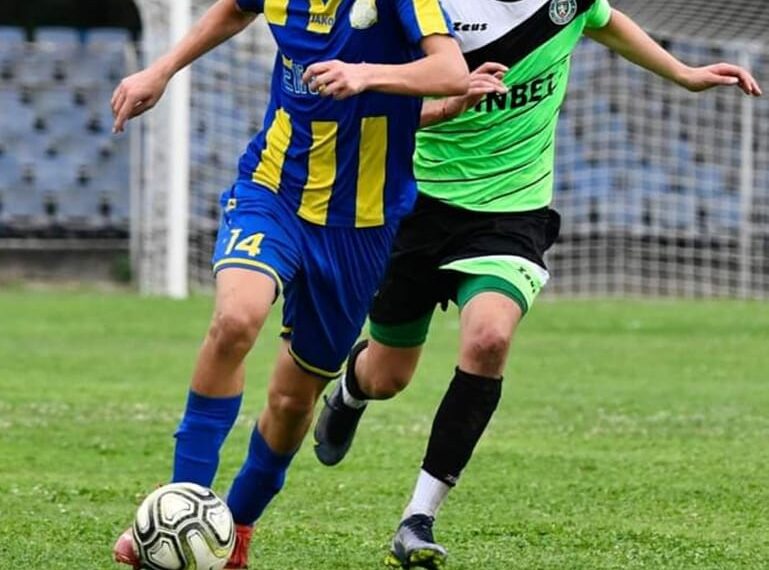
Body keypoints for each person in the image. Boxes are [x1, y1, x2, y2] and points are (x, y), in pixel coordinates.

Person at [313, 0, 762, 568]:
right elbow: (373, 111)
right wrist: (446, 105)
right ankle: (352, 390)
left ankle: (418, 518)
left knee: (489, 339)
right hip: (416, 203)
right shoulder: (426, 8)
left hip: (512, 210)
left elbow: (602, 19)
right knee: (387, 377)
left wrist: (683, 73)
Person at [110, 0, 472, 567]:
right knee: (236, 320)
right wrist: (160, 70)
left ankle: (236, 527)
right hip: (273, 190)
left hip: (360, 228)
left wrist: (366, 75)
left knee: (291, 398)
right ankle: (180, 505)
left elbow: (451, 70)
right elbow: (234, 9)